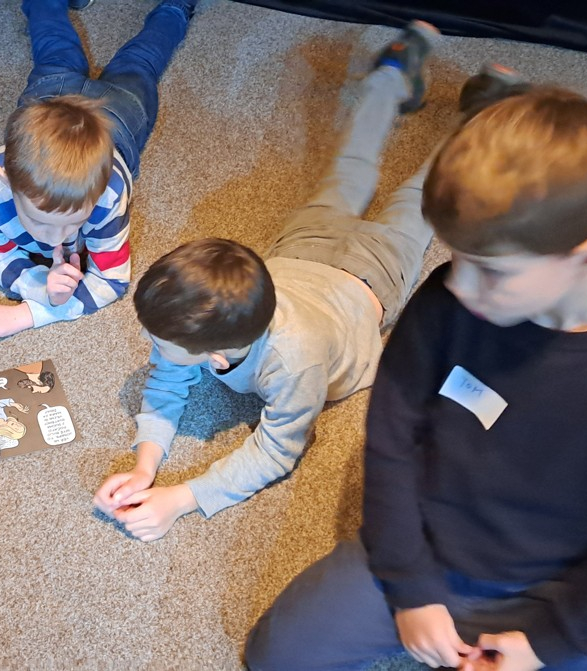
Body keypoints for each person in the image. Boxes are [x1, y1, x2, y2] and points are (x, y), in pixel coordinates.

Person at [245, 72, 587, 670]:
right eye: (457, 259)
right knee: (275, 658)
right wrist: (412, 588)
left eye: (492, 271)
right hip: (422, 550)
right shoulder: (450, 298)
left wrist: (548, 642)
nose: (462, 287)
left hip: (549, 592)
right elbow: (392, 441)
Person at [92, 21, 442, 541]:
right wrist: (146, 467)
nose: (152, 346)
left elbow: (278, 448)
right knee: (351, 168)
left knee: (423, 198)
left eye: (161, 343)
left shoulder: (295, 362)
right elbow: (167, 380)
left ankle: (484, 115)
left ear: (215, 357)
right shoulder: (194, 317)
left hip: (371, 275)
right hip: (300, 253)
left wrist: (183, 498)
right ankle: (390, 73)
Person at [0, 0, 199, 341]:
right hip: (52, 95)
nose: (56, 239)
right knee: (70, 49)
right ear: (6, 178)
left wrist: (31, 312)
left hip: (117, 118)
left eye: (73, 222)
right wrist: (43, 286)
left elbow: (112, 280)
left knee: (140, 58)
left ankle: (178, 5)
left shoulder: (108, 193)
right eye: (42, 221)